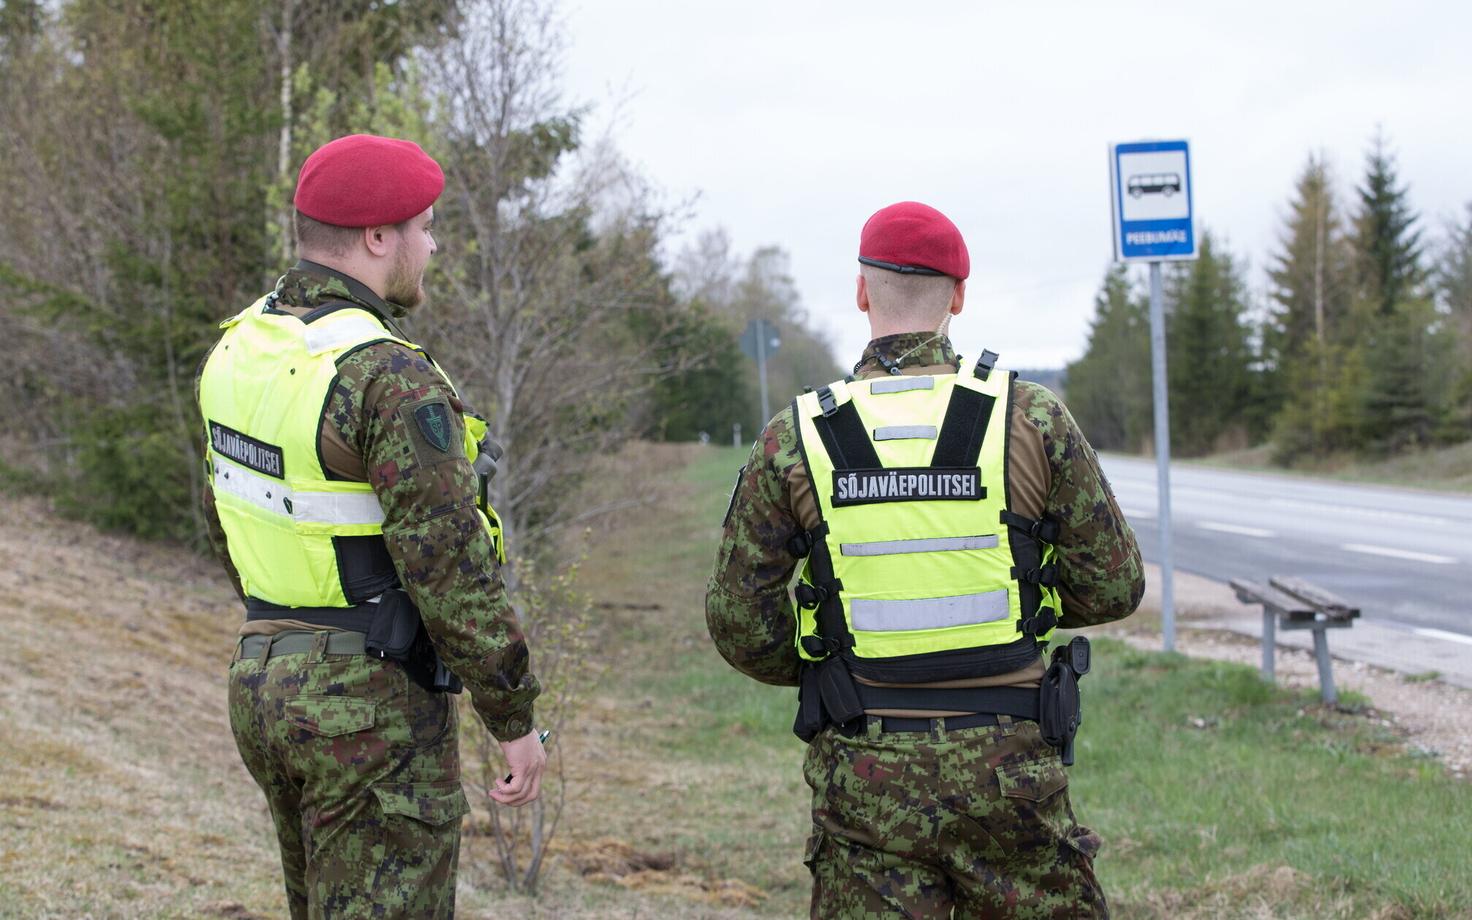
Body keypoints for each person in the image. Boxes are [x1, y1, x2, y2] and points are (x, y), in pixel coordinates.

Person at [706, 201, 1144, 918]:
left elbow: (738, 622)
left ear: (861, 291)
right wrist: (1023, 602)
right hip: (1009, 771)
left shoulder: (796, 436)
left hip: (864, 772)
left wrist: (828, 665)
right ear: (958, 297)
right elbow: (1116, 585)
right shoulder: (1030, 416)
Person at [196, 133, 545, 919]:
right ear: (379, 238)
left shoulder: (240, 347)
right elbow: (448, 567)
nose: (433, 245)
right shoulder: (385, 375)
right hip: (370, 707)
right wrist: (513, 717)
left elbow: (228, 518)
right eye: (425, 228)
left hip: (263, 684)